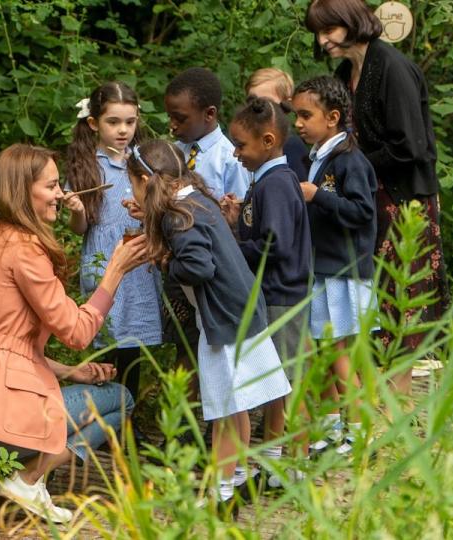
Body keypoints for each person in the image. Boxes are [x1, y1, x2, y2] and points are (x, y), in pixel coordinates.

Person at [0, 143, 148, 524]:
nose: (61, 194)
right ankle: (27, 479)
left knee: (84, 393)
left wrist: (69, 372)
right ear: (21, 191)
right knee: (120, 398)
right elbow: (77, 332)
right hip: (5, 414)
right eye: (52, 186)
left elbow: (3, 344)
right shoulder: (26, 249)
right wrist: (115, 272)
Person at [127, 139, 291, 518]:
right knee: (235, 408)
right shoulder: (196, 200)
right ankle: (231, 484)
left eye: (133, 182)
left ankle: (221, 492)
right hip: (243, 312)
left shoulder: (178, 215)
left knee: (225, 410)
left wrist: (166, 261)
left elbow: (199, 267)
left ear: (148, 180)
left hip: (226, 321)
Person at [305, 0, 451, 394]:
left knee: (399, 300)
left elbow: (412, 148)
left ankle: (394, 412)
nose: (323, 40)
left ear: (352, 22)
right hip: (368, 199)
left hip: (405, 202)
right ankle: (374, 407)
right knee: (371, 302)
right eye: (318, 32)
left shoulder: (392, 68)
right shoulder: (344, 71)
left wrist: (352, 167)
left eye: (329, 30)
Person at [64, 82, 164, 446]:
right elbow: (81, 228)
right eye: (113, 122)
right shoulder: (87, 165)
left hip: (138, 261)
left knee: (133, 345)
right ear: (94, 124)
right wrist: (75, 211)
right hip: (105, 263)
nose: (123, 130)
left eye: (130, 122)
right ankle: (103, 418)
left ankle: (128, 421)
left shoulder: (144, 161)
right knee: (107, 344)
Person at [223, 96, 313, 490]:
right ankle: (274, 459)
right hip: (273, 295)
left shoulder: (276, 184)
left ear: (268, 140)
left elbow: (275, 245)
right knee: (275, 382)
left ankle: (300, 463)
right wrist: (236, 224)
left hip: (283, 297)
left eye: (240, 145)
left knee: (290, 382)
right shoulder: (268, 180)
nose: (235, 153)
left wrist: (232, 249)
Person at [159, 67, 252, 436]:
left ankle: (213, 433)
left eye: (179, 118)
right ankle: (179, 429)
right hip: (177, 271)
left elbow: (239, 216)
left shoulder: (231, 158)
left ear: (209, 114)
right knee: (182, 348)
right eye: (170, 117)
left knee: (208, 355)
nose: (172, 126)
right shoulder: (174, 153)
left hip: (209, 273)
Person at [291, 75, 378, 454]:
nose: (297, 123)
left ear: (333, 117)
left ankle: (361, 432)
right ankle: (331, 426)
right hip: (322, 270)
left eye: (305, 115)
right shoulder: (320, 157)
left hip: (343, 272)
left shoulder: (349, 161)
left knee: (340, 353)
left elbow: (362, 211)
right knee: (322, 350)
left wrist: (317, 197)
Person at [245, 67, 310, 181]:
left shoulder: (291, 146)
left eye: (266, 102)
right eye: (251, 101)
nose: (256, 107)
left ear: (287, 105)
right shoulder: (245, 144)